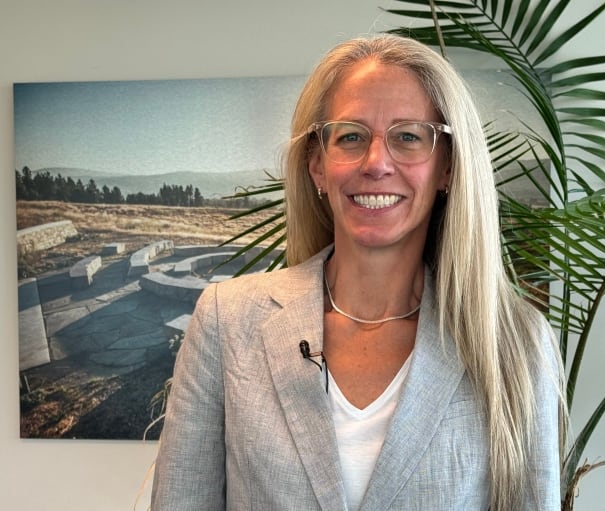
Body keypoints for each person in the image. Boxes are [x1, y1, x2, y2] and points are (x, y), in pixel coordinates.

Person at [151, 34, 563, 511]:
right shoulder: (228, 321)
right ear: (317, 166)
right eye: (351, 136)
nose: (376, 163)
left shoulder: (513, 342)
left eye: (408, 136)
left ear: (447, 167)